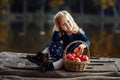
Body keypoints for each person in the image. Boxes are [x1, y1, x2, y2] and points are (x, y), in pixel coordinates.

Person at [26, 10, 90, 72]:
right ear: (61, 27)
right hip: (62, 52)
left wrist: (83, 45)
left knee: (62, 61)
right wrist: (56, 30)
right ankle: (40, 57)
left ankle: (49, 66)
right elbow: (55, 41)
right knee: (51, 45)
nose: (67, 24)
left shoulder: (78, 32)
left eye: (68, 21)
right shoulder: (63, 33)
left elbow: (87, 41)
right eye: (64, 24)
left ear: (71, 19)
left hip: (72, 57)